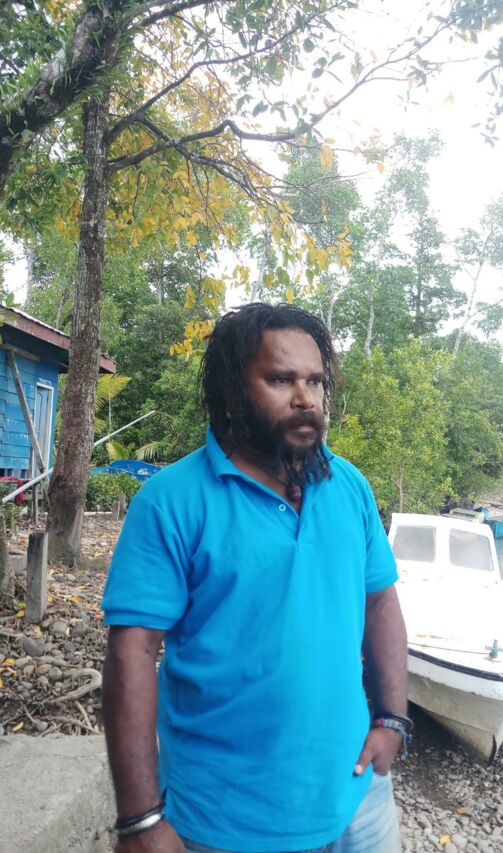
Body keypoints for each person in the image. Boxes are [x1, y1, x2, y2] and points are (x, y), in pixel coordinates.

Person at [102, 302, 409, 853]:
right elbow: (132, 652)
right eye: (281, 380)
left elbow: (380, 603)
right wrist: (140, 820)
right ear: (232, 390)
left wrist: (392, 718)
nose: (305, 398)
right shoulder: (172, 501)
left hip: (358, 797)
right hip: (225, 820)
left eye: (316, 381)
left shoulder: (349, 487)